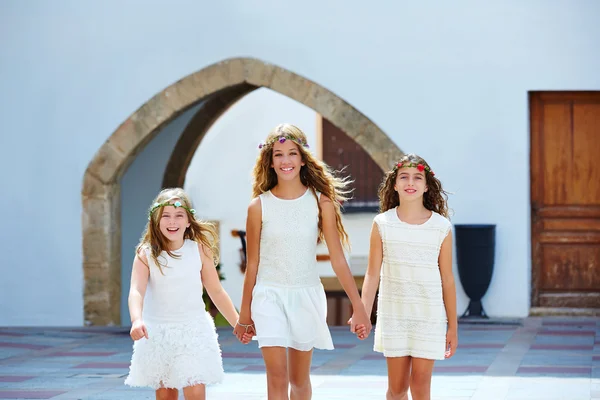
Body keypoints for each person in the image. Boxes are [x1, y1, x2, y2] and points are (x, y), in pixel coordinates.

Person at [234, 123, 372, 399]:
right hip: (268, 295)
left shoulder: (321, 203)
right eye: (278, 155)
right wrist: (244, 314)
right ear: (270, 162)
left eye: (292, 153)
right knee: (277, 378)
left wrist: (359, 307)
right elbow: (253, 264)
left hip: (305, 294)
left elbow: (338, 260)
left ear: (303, 158)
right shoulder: (258, 206)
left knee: (299, 381)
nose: (286, 161)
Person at [124, 188, 250, 400]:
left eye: (178, 215)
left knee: (196, 392)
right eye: (166, 216)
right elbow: (136, 291)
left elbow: (216, 291)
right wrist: (137, 320)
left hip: (193, 330)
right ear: (156, 220)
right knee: (165, 395)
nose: (172, 221)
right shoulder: (146, 254)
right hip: (159, 333)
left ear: (189, 221)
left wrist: (237, 322)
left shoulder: (199, 250)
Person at [360, 154, 457, 400]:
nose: (410, 182)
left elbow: (447, 279)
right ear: (394, 184)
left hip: (429, 315)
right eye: (404, 177)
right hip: (395, 315)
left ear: (427, 185)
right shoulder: (382, 223)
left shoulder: (441, 227)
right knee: (398, 388)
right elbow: (372, 273)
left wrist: (453, 327)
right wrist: (362, 311)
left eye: (417, 177)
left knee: (421, 387)